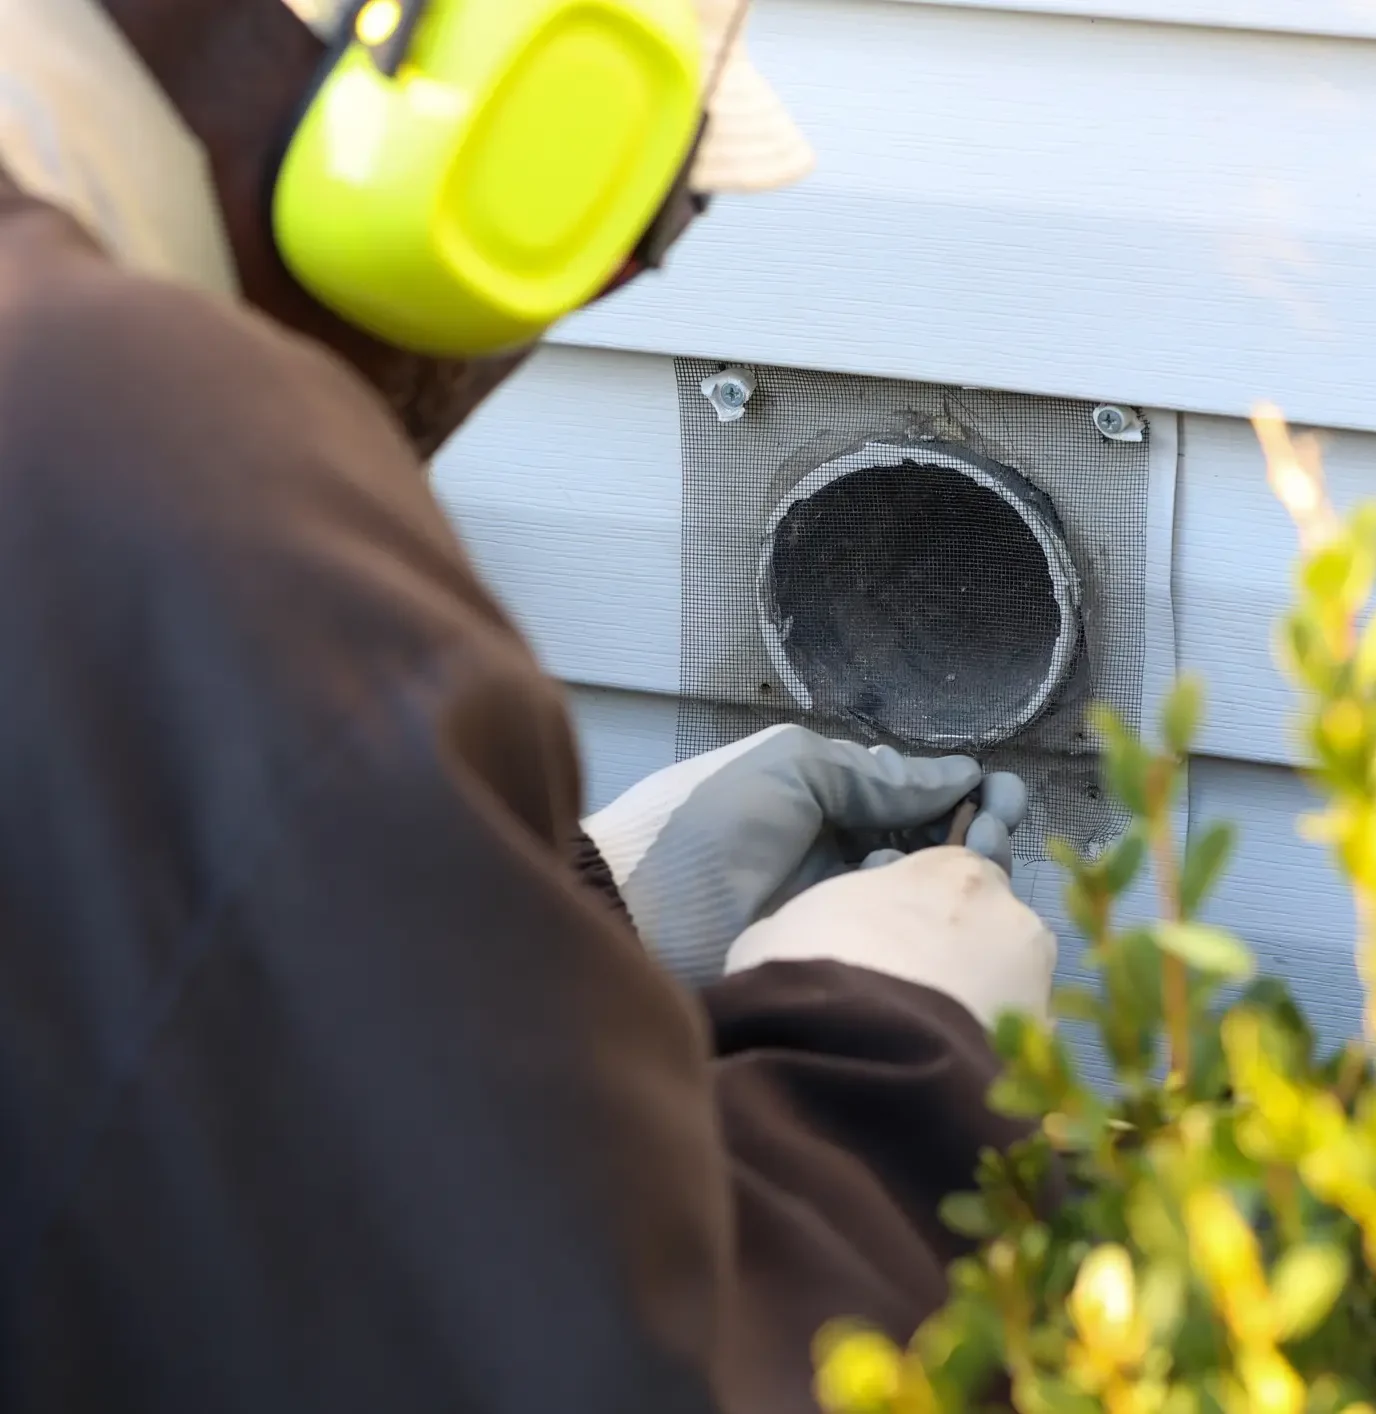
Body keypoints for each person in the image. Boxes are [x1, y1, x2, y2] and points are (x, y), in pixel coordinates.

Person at [0, 0, 1062, 1409]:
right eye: (620, 207)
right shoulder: (160, 454)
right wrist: (889, 1060)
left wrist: (578, 899)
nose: (580, 297)